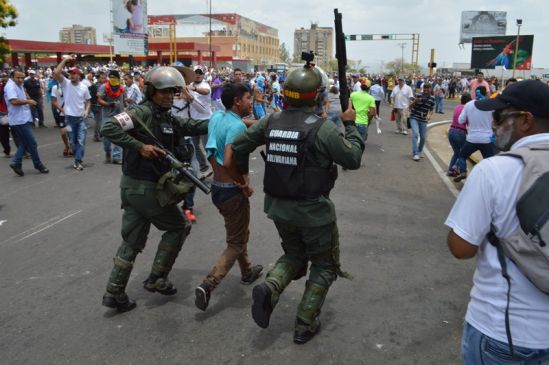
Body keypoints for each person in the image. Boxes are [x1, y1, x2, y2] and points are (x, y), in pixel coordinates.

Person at [226, 63, 365, 344]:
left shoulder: (271, 121)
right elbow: (352, 159)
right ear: (316, 96)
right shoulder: (322, 129)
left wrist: (242, 179)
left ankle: (271, 286)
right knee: (324, 266)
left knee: (294, 255)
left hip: (279, 208)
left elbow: (239, 146)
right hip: (314, 211)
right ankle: (304, 322)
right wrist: (350, 125)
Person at [445, 79, 549, 364]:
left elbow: (461, 247)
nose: (493, 125)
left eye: (500, 117)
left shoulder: (495, 170)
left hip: (504, 333)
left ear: (525, 120)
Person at [100, 66, 208, 312]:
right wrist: (140, 147)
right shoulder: (140, 112)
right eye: (163, 92)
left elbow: (192, 126)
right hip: (145, 188)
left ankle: (114, 292)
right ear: (150, 91)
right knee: (179, 227)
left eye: (173, 92)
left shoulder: (166, 116)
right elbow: (108, 127)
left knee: (132, 241)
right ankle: (157, 277)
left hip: (135, 190)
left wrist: (227, 121)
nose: (169, 96)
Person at [194, 83, 263, 311]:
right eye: (247, 98)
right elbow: (230, 159)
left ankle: (247, 271)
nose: (250, 102)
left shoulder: (217, 117)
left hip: (217, 188)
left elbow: (239, 124)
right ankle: (209, 284)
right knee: (235, 242)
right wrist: (243, 185)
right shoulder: (237, 128)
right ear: (236, 102)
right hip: (232, 191)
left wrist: (262, 124)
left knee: (239, 231)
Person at [5, 71, 49, 176]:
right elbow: (13, 101)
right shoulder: (11, 86)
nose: (20, 80)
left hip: (23, 118)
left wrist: (28, 100)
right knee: (32, 143)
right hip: (19, 120)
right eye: (18, 78)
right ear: (12, 77)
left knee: (25, 143)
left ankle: (17, 163)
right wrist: (28, 102)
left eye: (22, 78)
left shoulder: (17, 85)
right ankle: (37, 164)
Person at [54, 57, 91, 171]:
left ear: (79, 76)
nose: (72, 75)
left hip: (80, 119)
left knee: (80, 140)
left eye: (74, 73)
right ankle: (77, 155)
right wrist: (65, 61)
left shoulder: (84, 88)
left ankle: (78, 161)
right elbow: (56, 73)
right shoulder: (66, 84)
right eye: (70, 73)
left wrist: (86, 111)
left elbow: (88, 101)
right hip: (69, 119)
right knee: (72, 142)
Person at [452, 86, 495, 182]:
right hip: (487, 139)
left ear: (475, 93)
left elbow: (460, 120)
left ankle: (463, 172)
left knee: (462, 156)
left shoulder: (469, 105)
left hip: (472, 138)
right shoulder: (491, 105)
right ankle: (488, 180)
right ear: (486, 93)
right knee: (490, 161)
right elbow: (496, 121)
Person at [98, 70, 125, 164]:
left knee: (119, 136)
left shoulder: (122, 88)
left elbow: (124, 100)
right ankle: (108, 152)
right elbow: (100, 100)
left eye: (115, 77)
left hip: (120, 115)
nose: (112, 79)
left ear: (118, 78)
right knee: (106, 137)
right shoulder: (103, 87)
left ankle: (117, 157)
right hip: (107, 115)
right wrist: (109, 104)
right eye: (111, 77)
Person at [408, 83, 435, 161]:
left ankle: (419, 151)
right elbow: (410, 106)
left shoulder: (432, 98)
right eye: (425, 88)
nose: (426, 90)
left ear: (431, 89)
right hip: (414, 117)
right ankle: (415, 153)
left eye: (428, 89)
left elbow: (431, 109)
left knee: (423, 137)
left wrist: (429, 116)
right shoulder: (418, 95)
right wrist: (415, 101)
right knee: (415, 134)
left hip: (423, 119)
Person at [447, 93, 471, 176]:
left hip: (451, 131)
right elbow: (468, 123)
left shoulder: (457, 107)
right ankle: (458, 169)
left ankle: (451, 170)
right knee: (464, 153)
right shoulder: (467, 109)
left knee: (457, 153)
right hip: (460, 132)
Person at [50, 76, 72, 157]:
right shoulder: (55, 88)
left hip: (71, 113)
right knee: (63, 132)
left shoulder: (71, 87)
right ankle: (66, 146)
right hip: (61, 113)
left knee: (70, 130)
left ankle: (71, 147)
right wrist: (61, 109)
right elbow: (54, 101)